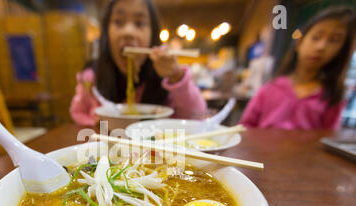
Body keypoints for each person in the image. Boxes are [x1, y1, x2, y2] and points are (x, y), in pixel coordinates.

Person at [69, 0, 207, 126]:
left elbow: (198, 117)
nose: (128, 32)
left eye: (139, 23)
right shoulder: (91, 77)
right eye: (118, 22)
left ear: (153, 35)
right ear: (106, 32)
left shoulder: (164, 78)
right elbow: (77, 112)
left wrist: (176, 76)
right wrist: (96, 123)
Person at [240, 7, 355, 130]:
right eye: (316, 37)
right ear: (299, 42)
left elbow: (329, 138)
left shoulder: (332, 96)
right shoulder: (269, 89)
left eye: (334, 40)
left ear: (340, 51)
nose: (321, 47)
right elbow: (244, 128)